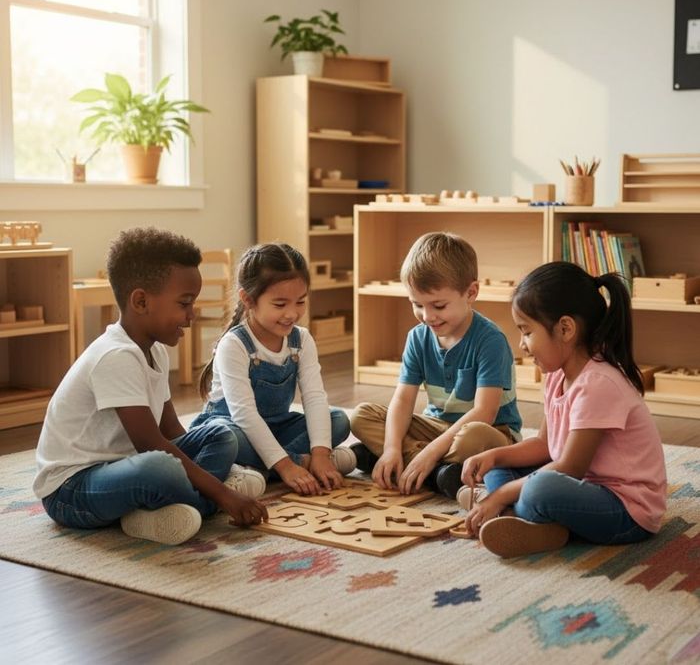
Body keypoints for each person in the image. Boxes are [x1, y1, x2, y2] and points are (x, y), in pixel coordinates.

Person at [33, 227, 268, 546]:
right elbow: (152, 445)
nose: (192, 315)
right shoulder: (116, 356)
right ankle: (193, 504)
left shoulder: (154, 349)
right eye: (184, 303)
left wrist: (201, 465)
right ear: (141, 301)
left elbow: (171, 431)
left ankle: (171, 509)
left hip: (123, 466)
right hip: (72, 491)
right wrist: (224, 494)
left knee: (220, 434)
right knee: (160, 467)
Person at [461, 261, 667, 558]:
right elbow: (546, 446)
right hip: (583, 488)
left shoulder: (598, 382)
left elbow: (570, 467)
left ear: (565, 329)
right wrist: (493, 456)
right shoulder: (557, 374)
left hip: (626, 511)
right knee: (502, 467)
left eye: (527, 332)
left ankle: (507, 508)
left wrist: (504, 492)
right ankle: (520, 516)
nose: (522, 345)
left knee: (539, 489)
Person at [349, 232, 522, 499]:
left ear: (471, 292)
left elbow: (484, 413)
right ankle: (431, 471)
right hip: (437, 427)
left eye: (438, 305)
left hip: (491, 433)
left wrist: (430, 452)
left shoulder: (491, 340)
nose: (427, 316)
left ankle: (412, 464)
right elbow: (403, 400)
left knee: (473, 437)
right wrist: (393, 446)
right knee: (362, 415)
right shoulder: (418, 337)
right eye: (417, 304)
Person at [190, 242, 354, 496]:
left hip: (278, 427)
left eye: (300, 301)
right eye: (280, 305)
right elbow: (244, 415)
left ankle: (261, 467)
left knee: (339, 420)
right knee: (227, 438)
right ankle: (296, 462)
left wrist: (321, 452)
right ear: (248, 299)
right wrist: (289, 466)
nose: (292, 313)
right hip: (234, 427)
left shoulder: (302, 340)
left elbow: (314, 398)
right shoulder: (234, 345)